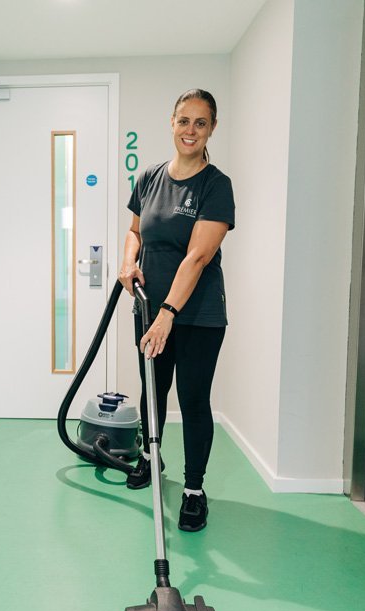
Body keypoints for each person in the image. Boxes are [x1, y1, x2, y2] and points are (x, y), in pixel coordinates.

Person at [118, 89, 235, 532]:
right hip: (151, 310)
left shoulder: (215, 185)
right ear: (171, 122)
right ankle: (150, 457)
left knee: (192, 400)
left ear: (211, 129)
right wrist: (128, 261)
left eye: (200, 123)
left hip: (197, 316)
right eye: (184, 121)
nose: (190, 131)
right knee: (152, 392)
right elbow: (135, 230)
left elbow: (198, 256)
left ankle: (193, 490)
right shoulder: (149, 176)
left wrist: (168, 314)